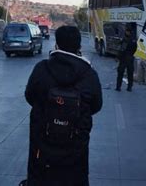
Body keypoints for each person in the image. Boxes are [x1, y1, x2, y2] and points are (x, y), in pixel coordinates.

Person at [22, 26, 103, 186]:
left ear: (56, 45)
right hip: (75, 148)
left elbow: (30, 96)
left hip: (42, 146)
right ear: (79, 47)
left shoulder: (41, 69)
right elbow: (96, 105)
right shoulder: (89, 74)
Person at [116, 27, 137, 92]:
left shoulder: (125, 39)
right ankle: (129, 87)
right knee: (129, 73)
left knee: (121, 72)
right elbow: (135, 49)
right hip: (130, 58)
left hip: (124, 58)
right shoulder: (133, 39)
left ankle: (119, 87)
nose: (126, 32)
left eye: (127, 31)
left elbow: (122, 49)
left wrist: (118, 57)